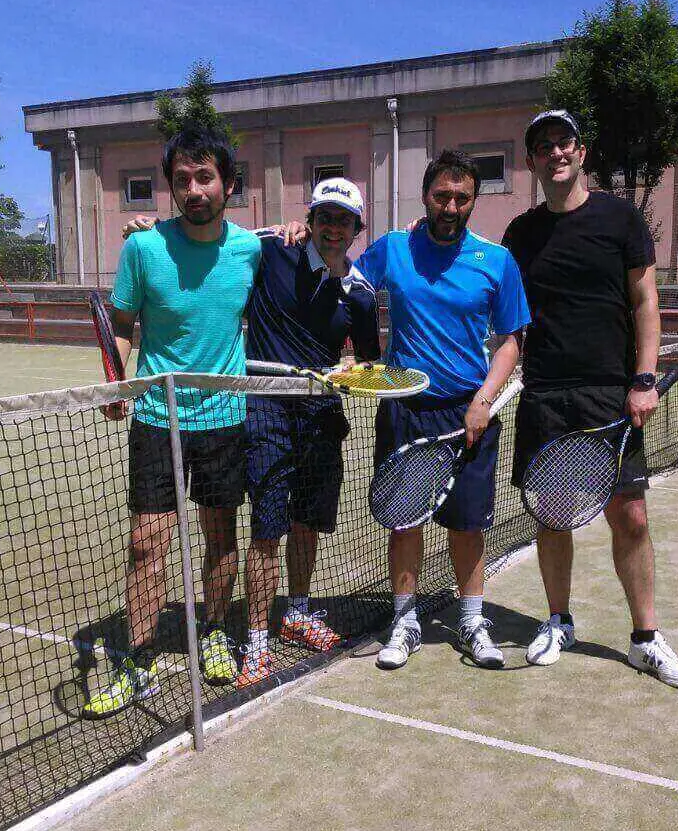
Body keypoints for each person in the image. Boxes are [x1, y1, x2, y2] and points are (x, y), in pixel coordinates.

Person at [503, 109, 678, 688]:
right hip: (544, 394)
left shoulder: (620, 218)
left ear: (580, 153)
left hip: (609, 394)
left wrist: (642, 379)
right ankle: (558, 619)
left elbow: (645, 302)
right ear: (534, 161)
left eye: (564, 142)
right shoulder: (522, 232)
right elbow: (504, 304)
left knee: (630, 515)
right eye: (544, 146)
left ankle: (645, 639)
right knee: (551, 517)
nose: (555, 153)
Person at [85, 128, 261, 716]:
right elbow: (122, 322)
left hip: (224, 416)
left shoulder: (251, 250)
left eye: (205, 177)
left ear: (228, 185)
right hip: (158, 417)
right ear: (170, 187)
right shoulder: (142, 249)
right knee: (145, 543)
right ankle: (137, 659)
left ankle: (213, 631)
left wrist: (292, 232)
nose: (194, 190)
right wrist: (119, 379)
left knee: (219, 537)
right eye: (182, 180)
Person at [356, 149, 530, 671]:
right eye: (441, 196)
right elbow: (343, 283)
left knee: (468, 524)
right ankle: (405, 621)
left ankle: (472, 619)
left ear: (474, 201)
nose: (450, 206)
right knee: (404, 521)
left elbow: (510, 340)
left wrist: (484, 401)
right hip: (406, 410)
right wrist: (292, 235)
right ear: (425, 197)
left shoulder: (496, 260)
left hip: (470, 415)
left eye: (461, 198)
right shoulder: (392, 249)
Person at [242, 178, 380, 674]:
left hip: (322, 416)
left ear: (357, 229)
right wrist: (153, 230)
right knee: (267, 526)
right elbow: (209, 240)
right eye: (324, 216)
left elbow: (368, 361)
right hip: (265, 410)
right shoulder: (272, 248)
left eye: (343, 220)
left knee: (307, 523)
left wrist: (353, 371)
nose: (332, 227)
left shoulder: (361, 295)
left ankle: (296, 612)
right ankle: (256, 639)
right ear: (311, 218)